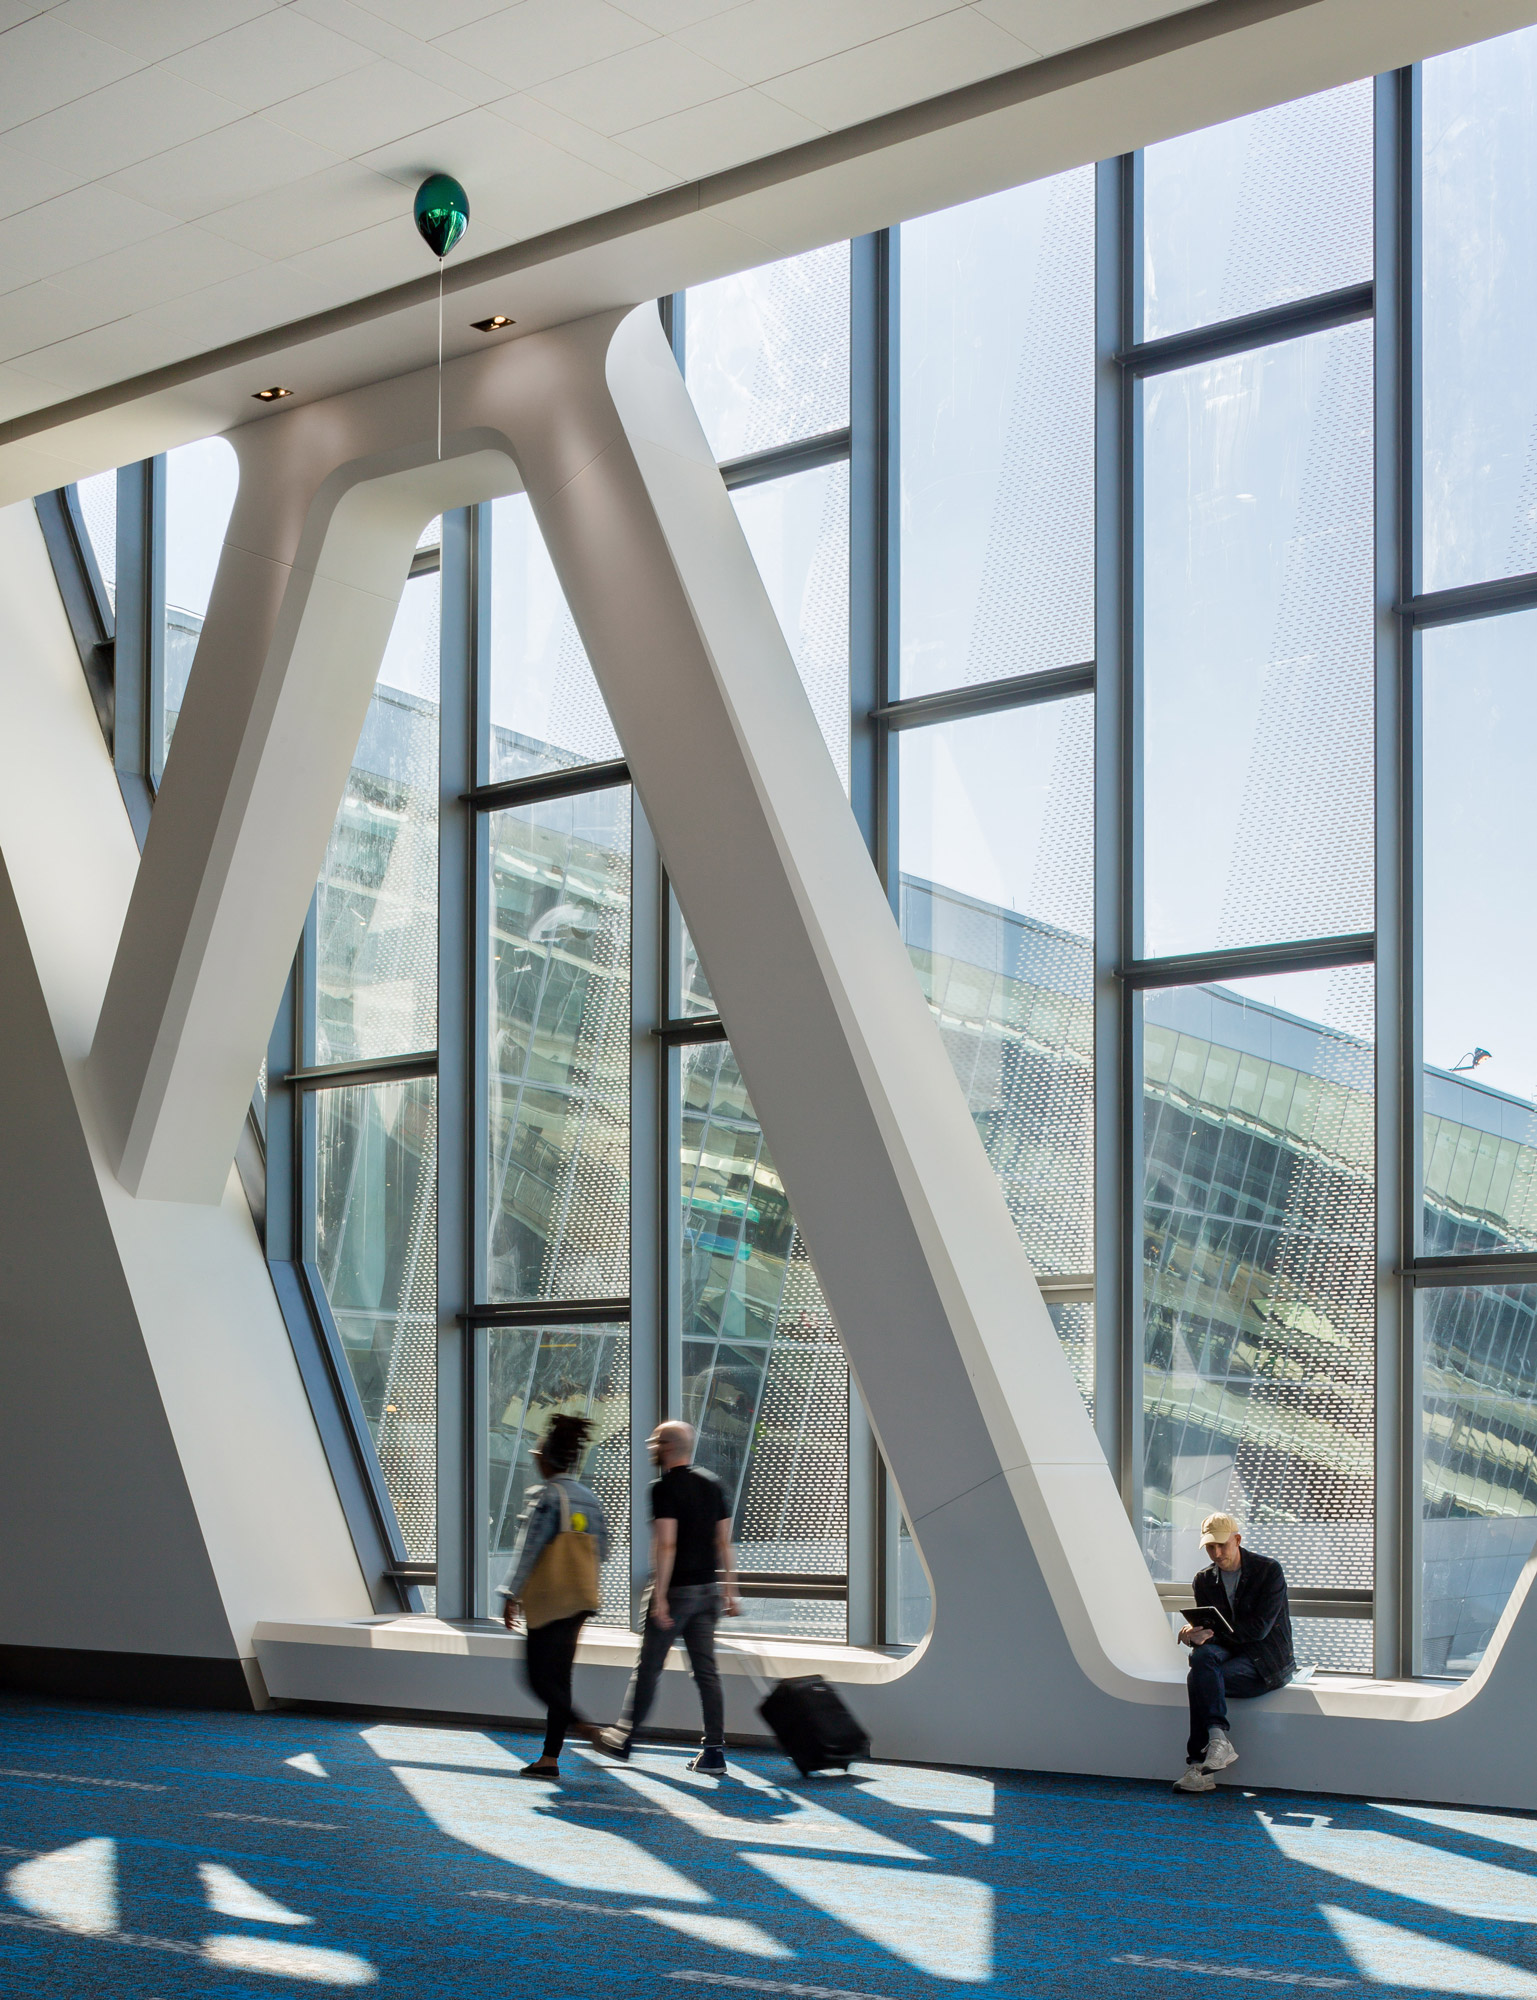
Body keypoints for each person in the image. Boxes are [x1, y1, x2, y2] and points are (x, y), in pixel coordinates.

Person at [596, 1420, 742, 1775]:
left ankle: (625, 1738)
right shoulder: (712, 1485)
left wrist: (660, 1596)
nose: (650, 1446)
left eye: (654, 1442)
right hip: (708, 1592)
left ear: (666, 1447)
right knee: (706, 1673)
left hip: (677, 1592)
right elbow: (723, 1542)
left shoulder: (662, 1488)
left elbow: (666, 1543)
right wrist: (730, 1589)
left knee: (648, 1668)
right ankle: (714, 1752)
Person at [499, 1412, 610, 1781]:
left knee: (536, 1679)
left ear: (546, 1459)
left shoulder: (545, 1497)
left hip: (550, 1599)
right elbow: (603, 1552)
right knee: (560, 1679)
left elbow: (529, 1550)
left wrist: (511, 1593)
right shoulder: (590, 1498)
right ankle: (549, 1759)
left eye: (536, 1454)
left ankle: (583, 1726)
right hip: (580, 1599)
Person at [1173, 1511, 1295, 1794]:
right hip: (1230, 1655)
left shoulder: (1268, 1571)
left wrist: (1211, 1635)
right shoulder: (1204, 1580)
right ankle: (1217, 1741)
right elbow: (1210, 1629)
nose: (1216, 1553)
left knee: (1199, 1677)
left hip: (1266, 1661)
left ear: (1237, 1540)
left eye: (1221, 1545)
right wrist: (1193, 1635)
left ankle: (1198, 1765)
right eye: (1210, 1547)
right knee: (1202, 1659)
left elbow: (1259, 1631)